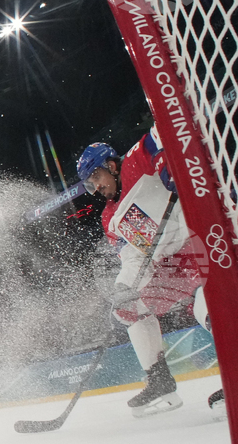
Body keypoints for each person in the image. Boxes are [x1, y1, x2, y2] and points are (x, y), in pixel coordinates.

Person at [77, 126, 210, 417]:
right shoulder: (110, 217)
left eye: (96, 177)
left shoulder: (138, 159)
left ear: (110, 165)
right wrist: (123, 288)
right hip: (167, 265)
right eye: (89, 184)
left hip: (197, 241)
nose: (96, 187)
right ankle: (160, 381)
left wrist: (168, 164)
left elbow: (163, 131)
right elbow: (133, 257)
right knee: (127, 309)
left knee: (208, 301)